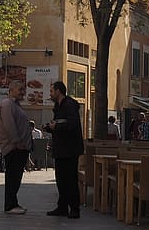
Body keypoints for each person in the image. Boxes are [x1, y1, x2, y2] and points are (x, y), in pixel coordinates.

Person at [46, 80, 84, 219]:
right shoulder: (58, 106)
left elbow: (72, 125)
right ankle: (62, 207)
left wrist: (57, 127)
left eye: (51, 91)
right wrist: (50, 127)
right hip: (61, 148)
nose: (50, 94)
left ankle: (74, 209)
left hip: (70, 149)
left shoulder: (68, 105)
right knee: (61, 179)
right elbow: (59, 124)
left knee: (70, 180)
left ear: (58, 91)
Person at [0, 79, 31, 215]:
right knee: (12, 177)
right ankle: (10, 205)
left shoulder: (15, 105)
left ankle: (13, 203)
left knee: (16, 177)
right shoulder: (7, 104)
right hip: (14, 148)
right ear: (11, 90)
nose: (23, 92)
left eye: (23, 89)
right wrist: (17, 142)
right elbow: (9, 125)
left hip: (20, 148)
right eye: (20, 89)